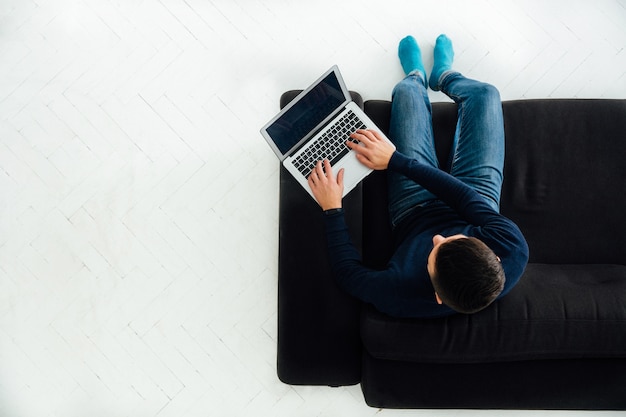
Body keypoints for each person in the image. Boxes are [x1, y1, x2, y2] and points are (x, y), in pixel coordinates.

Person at [307, 34, 529, 318]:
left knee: (407, 93)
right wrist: (395, 160)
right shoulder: (511, 248)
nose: (437, 237)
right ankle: (445, 75)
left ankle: (415, 75)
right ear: (492, 255)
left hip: (414, 210)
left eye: (431, 256)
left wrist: (332, 209)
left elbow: (348, 274)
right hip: (475, 199)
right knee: (485, 94)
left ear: (436, 296)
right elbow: (463, 196)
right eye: (452, 240)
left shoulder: (401, 292)